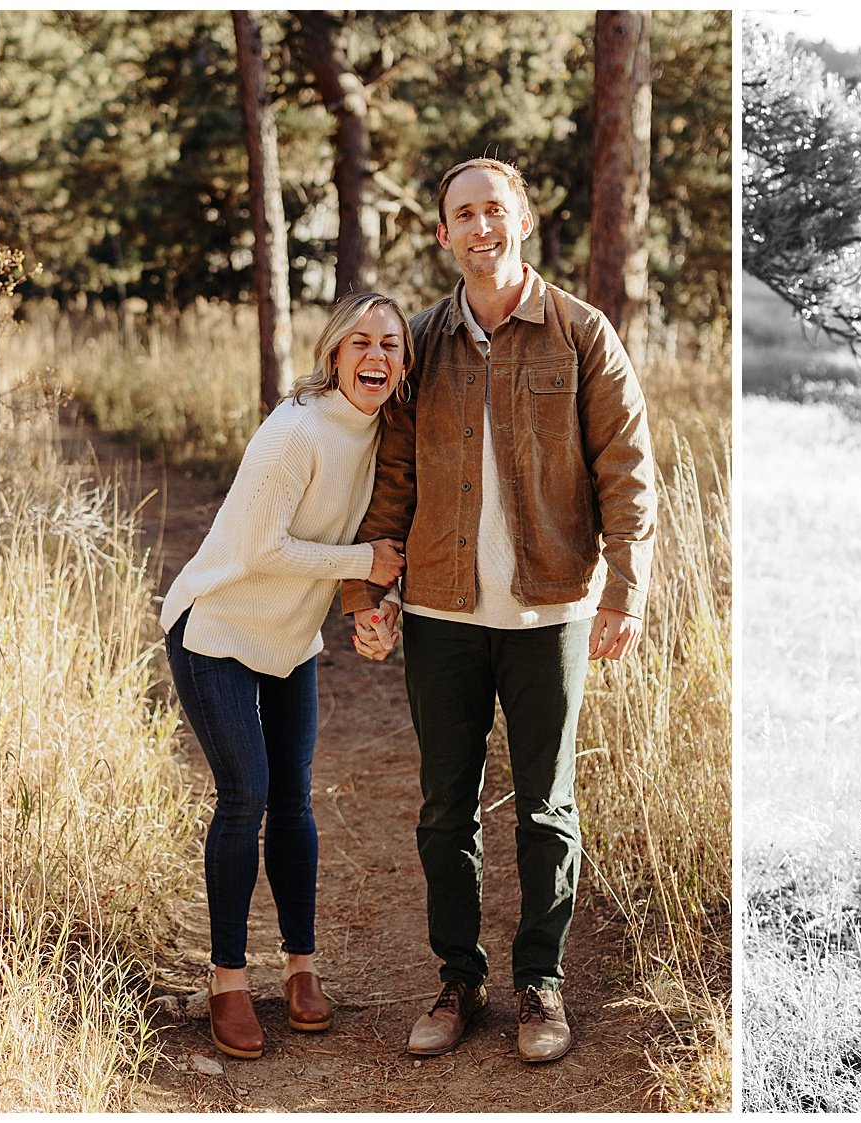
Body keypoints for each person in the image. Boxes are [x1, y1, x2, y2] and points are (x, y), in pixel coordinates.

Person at [341, 157, 656, 1064]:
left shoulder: (581, 335)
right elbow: (391, 479)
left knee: (546, 810)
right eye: (463, 215)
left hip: (551, 610)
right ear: (444, 234)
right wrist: (372, 594)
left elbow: (626, 475)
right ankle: (459, 976)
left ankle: (539, 982)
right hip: (441, 613)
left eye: (495, 211)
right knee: (446, 808)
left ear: (522, 222)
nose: (481, 228)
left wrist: (625, 591)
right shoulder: (423, 344)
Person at [161, 292, 412, 1060]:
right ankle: (229, 981)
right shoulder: (293, 430)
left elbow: (370, 535)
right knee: (247, 796)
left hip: (290, 642)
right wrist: (361, 564)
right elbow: (264, 546)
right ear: (333, 353)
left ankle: (301, 969)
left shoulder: (380, 435)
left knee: (296, 800)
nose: (377, 357)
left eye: (392, 345)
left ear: (403, 364)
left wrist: (374, 604)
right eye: (361, 342)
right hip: (217, 628)